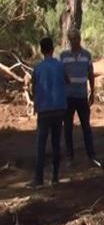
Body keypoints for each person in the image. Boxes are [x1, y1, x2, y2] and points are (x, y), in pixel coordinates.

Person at [30, 37, 67, 187]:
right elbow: (67, 80)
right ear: (52, 49)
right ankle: (55, 177)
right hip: (59, 108)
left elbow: (33, 88)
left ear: (41, 50)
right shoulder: (60, 66)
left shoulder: (38, 68)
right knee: (56, 143)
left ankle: (38, 179)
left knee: (41, 144)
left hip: (44, 109)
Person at [60, 28, 96, 162]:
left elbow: (91, 74)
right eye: (72, 39)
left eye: (76, 38)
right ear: (69, 40)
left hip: (82, 96)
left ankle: (91, 155)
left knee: (86, 126)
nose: (74, 41)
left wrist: (92, 92)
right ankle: (70, 156)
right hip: (68, 97)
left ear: (80, 39)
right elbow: (59, 73)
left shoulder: (87, 55)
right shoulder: (63, 56)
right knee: (68, 128)